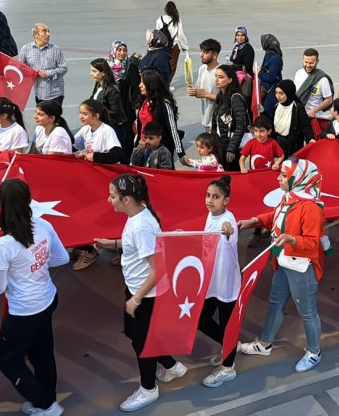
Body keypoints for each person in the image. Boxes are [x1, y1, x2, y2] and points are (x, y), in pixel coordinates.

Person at [96, 174, 187, 411]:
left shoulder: (140, 225)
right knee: (142, 336)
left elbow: (160, 268)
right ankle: (172, 366)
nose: (109, 200)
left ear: (127, 199)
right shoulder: (139, 214)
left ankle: (148, 389)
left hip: (146, 295)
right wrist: (111, 244)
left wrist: (136, 299)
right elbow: (138, 248)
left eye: (113, 196)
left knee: (143, 342)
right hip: (139, 290)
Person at [238, 159, 328, 373]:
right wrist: (254, 221)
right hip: (284, 260)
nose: (278, 178)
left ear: (298, 178)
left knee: (307, 311)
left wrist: (291, 239)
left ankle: (315, 352)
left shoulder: (311, 207)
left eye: (284, 175)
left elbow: (313, 244)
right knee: (274, 303)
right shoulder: (291, 197)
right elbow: (276, 217)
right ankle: (264, 343)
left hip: (301, 267)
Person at [0, 179, 69, 416]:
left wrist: (16, 272)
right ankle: (46, 400)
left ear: (1, 204)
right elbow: (62, 258)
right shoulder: (43, 225)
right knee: (42, 351)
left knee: (7, 360)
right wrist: (39, 265)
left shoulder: (3, 245)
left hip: (23, 311)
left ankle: (45, 404)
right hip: (47, 299)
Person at [195, 175, 241, 387]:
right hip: (211, 283)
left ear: (226, 200)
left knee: (226, 325)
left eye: (216, 197)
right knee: (202, 320)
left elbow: (228, 231)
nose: (209, 200)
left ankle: (228, 368)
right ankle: (229, 346)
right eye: (207, 195)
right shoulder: (209, 215)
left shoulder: (227, 220)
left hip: (226, 285)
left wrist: (228, 231)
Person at [134, 69, 184, 165]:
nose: (139, 85)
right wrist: (137, 145)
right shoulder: (144, 101)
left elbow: (173, 129)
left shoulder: (164, 104)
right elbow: (139, 126)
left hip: (159, 151)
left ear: (150, 85)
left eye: (142, 83)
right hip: (143, 147)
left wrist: (181, 153)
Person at [19, 23, 68, 106]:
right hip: (39, 93)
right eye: (44, 32)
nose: (48, 34)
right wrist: (30, 72)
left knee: (54, 118)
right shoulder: (25, 49)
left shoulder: (55, 49)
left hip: (55, 93)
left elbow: (64, 68)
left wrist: (47, 73)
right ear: (36, 35)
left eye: (48, 31)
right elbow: (21, 68)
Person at [211, 65, 249, 171]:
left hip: (232, 149)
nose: (217, 79)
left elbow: (241, 125)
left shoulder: (235, 97)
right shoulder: (221, 96)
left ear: (230, 80)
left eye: (221, 77)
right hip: (221, 146)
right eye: (216, 76)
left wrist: (232, 148)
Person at [294, 48, 334, 138]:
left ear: (317, 61)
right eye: (306, 62)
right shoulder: (298, 74)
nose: (308, 65)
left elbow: (329, 100)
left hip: (315, 118)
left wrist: (314, 110)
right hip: (300, 116)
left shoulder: (322, 79)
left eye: (311, 63)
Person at [269, 79, 314, 157]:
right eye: (276, 93)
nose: (278, 96)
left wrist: (310, 138)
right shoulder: (276, 106)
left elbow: (305, 126)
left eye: (281, 93)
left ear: (289, 93)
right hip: (278, 142)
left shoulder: (298, 108)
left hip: (292, 144)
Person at [187, 38, 221, 131]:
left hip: (218, 120)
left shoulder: (221, 72)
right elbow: (200, 92)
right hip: (205, 118)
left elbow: (227, 97)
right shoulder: (202, 69)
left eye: (205, 52)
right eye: (201, 51)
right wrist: (194, 92)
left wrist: (206, 94)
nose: (201, 55)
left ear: (214, 55)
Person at [90, 58, 127, 142]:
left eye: (94, 71)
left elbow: (115, 113)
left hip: (112, 130)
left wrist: (98, 111)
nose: (91, 74)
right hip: (101, 127)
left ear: (103, 73)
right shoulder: (98, 85)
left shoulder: (112, 90)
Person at [258, 34, 284, 115]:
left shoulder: (275, 58)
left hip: (272, 92)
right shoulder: (269, 55)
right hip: (268, 91)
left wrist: (259, 73)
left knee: (269, 113)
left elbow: (271, 77)